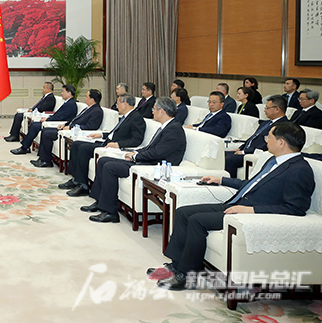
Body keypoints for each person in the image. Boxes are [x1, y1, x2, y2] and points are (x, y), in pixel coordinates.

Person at [153, 121, 315, 291]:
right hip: (238, 204)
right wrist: (221, 180)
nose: (266, 141)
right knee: (183, 212)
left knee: (197, 220)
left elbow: (296, 208)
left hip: (251, 214)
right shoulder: (273, 161)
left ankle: (189, 276)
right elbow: (252, 184)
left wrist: (251, 210)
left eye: (269, 137)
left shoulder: (299, 169)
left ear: (281, 142)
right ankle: (177, 265)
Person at [83, 97, 186, 223]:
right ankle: (100, 203)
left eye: (154, 109)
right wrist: (135, 153)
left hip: (154, 167)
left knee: (110, 167)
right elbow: (149, 148)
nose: (152, 112)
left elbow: (158, 153)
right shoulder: (166, 127)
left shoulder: (174, 129)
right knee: (103, 160)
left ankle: (111, 212)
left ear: (162, 111)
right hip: (147, 161)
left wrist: (135, 157)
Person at [58, 93, 146, 195]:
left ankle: (83, 185)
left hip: (113, 147)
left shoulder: (136, 118)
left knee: (83, 148)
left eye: (118, 104)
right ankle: (75, 179)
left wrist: (118, 144)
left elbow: (137, 140)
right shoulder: (126, 116)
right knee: (76, 144)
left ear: (125, 104)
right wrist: (101, 134)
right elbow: (114, 133)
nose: (116, 106)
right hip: (106, 142)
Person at [30, 89, 105, 168]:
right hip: (68, 128)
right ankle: (42, 159)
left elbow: (91, 126)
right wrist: (64, 125)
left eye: (86, 97)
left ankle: (46, 161)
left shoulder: (97, 111)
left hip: (73, 131)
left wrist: (70, 127)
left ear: (92, 99)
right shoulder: (88, 108)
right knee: (45, 130)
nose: (85, 98)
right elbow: (75, 119)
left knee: (47, 134)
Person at [223, 95, 288, 177]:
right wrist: (241, 148)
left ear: (277, 109)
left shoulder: (284, 126)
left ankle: (229, 182)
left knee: (229, 159)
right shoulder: (266, 123)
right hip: (247, 150)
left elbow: (267, 144)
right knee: (222, 154)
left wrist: (244, 152)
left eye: (267, 108)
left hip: (256, 153)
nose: (265, 110)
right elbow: (253, 137)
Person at [10, 85, 78, 155]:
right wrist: (48, 118)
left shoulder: (70, 104)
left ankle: (24, 148)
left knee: (35, 126)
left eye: (63, 91)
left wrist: (48, 119)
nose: (61, 93)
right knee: (34, 125)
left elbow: (60, 117)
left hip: (57, 124)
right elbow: (58, 115)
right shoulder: (68, 102)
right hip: (54, 121)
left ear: (69, 93)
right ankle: (25, 147)